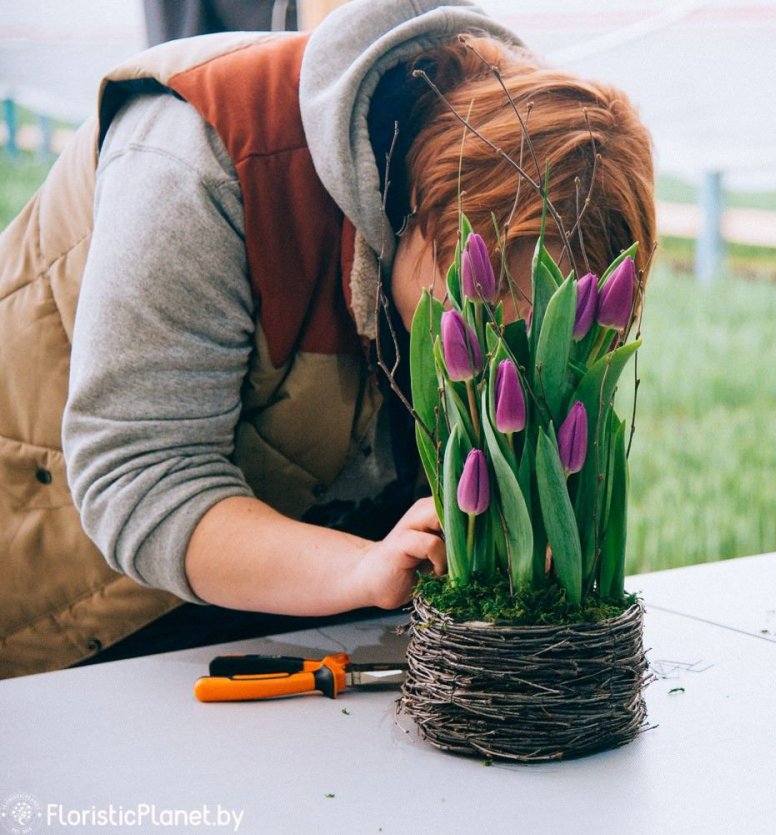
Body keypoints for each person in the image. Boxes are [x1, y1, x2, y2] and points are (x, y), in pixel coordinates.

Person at [0, 0, 655, 678]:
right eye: (480, 318)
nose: (497, 370)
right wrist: (362, 568)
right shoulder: (200, 156)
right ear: (420, 211)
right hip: (89, 621)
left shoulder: (544, 170)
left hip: (307, 613)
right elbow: (144, 482)